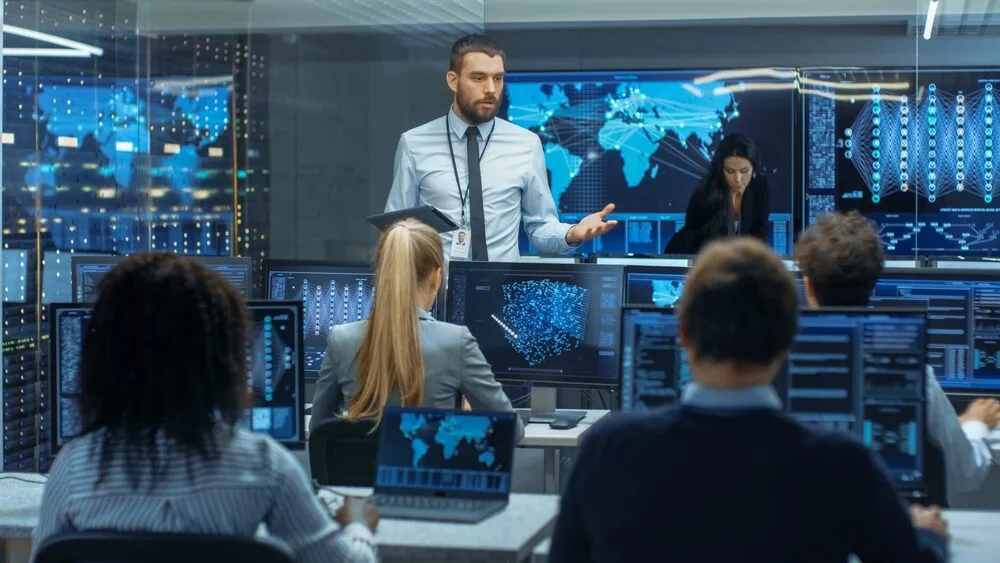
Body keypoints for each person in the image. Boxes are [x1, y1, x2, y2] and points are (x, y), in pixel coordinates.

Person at [549, 238, 948, 562]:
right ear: (790, 341)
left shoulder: (608, 449)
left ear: (683, 334)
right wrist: (929, 540)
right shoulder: (842, 464)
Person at [32, 254, 378, 563]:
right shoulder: (264, 467)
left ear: (104, 359)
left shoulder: (73, 468)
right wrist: (358, 525)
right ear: (221, 360)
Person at [795, 210, 1000, 504]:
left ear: (808, 286)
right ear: (874, 282)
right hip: (887, 538)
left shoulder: (779, 373)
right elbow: (962, 472)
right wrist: (974, 423)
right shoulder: (915, 376)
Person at [384, 34, 616, 263]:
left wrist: (571, 234)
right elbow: (395, 231)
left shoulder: (526, 144)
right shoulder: (414, 144)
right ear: (453, 81)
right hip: (434, 295)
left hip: (499, 295)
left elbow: (539, 228)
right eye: (478, 78)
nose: (491, 89)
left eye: (498, 78)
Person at [311, 219, 524, 442]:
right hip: (429, 475)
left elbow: (319, 431)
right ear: (436, 276)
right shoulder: (457, 342)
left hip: (356, 477)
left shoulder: (340, 340)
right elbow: (513, 431)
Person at [664, 133, 771, 254]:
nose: (738, 179)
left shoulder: (761, 186)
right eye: (730, 171)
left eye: (744, 171)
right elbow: (699, 236)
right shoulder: (707, 190)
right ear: (721, 170)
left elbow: (759, 233)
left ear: (754, 169)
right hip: (695, 254)